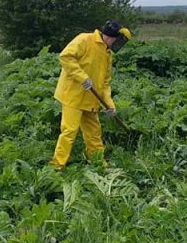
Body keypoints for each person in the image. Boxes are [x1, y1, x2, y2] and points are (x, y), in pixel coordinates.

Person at [49, 20, 132, 169]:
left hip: (91, 99)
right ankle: (56, 165)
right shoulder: (84, 39)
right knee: (69, 131)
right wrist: (82, 77)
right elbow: (66, 57)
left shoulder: (107, 54)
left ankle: (97, 162)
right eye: (118, 40)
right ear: (111, 36)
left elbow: (105, 83)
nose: (117, 44)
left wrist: (110, 105)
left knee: (94, 132)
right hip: (72, 95)